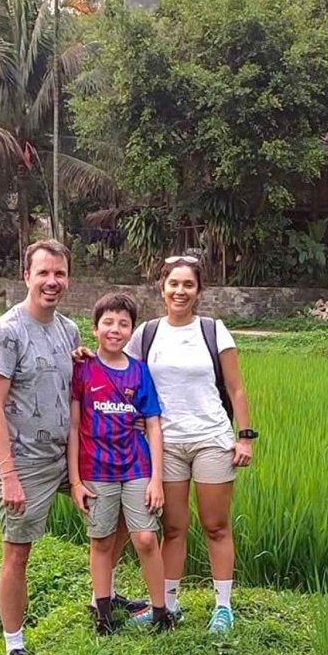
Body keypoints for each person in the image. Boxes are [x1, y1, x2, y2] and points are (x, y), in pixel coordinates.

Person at [126, 256, 256, 634]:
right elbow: (122, 375)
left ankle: (223, 607)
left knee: (216, 525)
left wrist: (244, 437)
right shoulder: (146, 334)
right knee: (174, 527)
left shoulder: (214, 331)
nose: (180, 291)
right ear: (162, 287)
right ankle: (166, 604)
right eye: (174, 284)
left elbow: (236, 387)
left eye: (188, 285)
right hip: (164, 443)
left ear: (198, 291)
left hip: (212, 439)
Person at [0, 239, 78, 655]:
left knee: (120, 505)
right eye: (43, 273)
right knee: (18, 551)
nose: (51, 281)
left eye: (59, 274)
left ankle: (103, 597)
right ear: (27, 276)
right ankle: (14, 643)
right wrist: (9, 475)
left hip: (68, 452)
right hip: (24, 460)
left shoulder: (69, 329)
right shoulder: (8, 331)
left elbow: (74, 385)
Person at [67, 293, 174, 635]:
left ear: (132, 331)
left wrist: (157, 479)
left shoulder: (139, 372)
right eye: (108, 323)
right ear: (95, 328)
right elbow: (72, 426)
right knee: (101, 540)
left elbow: (154, 424)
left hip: (136, 467)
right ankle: (103, 614)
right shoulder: (82, 368)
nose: (115, 330)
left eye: (123, 324)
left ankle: (161, 612)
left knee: (144, 537)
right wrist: (74, 481)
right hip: (96, 469)